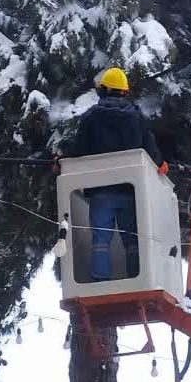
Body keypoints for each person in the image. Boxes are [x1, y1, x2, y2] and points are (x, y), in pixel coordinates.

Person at [72, 67, 167, 281]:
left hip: (100, 192)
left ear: (103, 91)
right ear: (124, 92)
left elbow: (79, 151)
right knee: (132, 238)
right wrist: (160, 164)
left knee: (101, 239)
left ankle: (100, 278)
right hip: (130, 192)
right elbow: (150, 148)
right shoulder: (136, 117)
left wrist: (61, 162)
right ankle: (135, 276)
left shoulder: (90, 118)